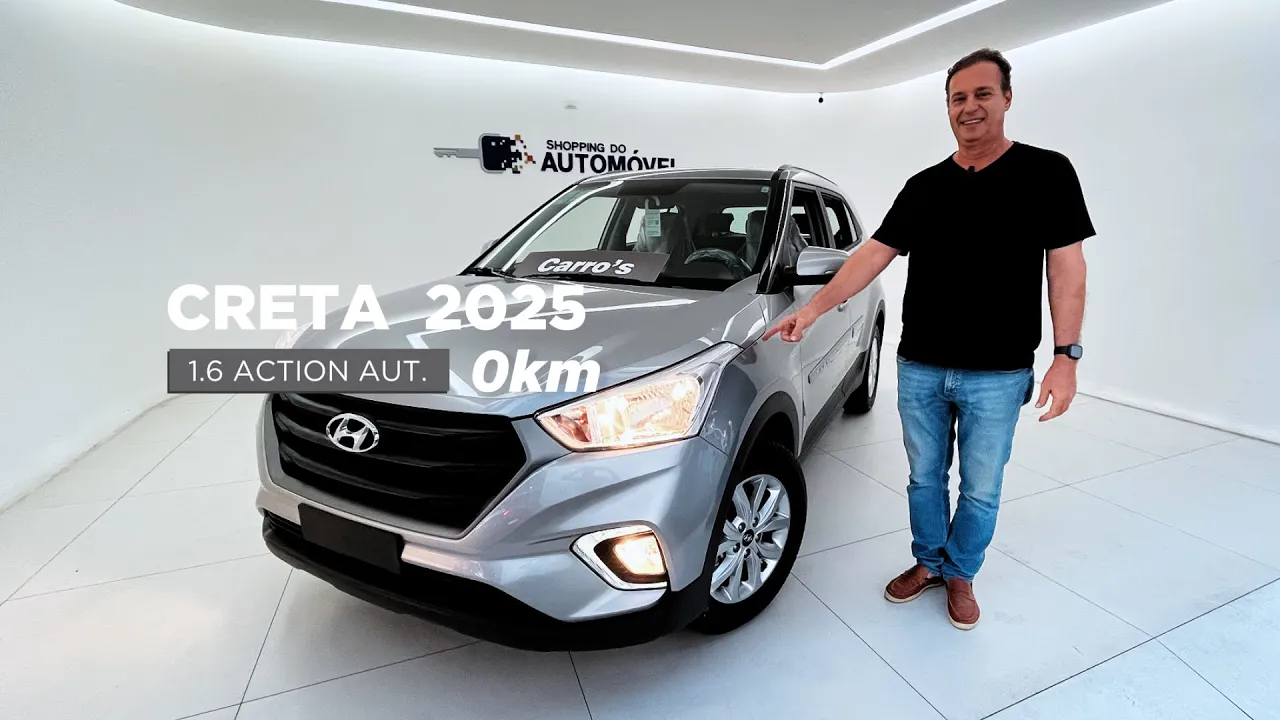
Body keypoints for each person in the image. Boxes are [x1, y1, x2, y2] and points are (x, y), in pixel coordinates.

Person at [762, 48, 1093, 630]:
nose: (970, 107)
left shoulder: (1048, 173)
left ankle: (961, 572)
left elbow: (1066, 268)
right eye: (958, 98)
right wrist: (811, 310)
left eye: (982, 94)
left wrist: (1066, 357)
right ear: (947, 108)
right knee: (924, 478)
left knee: (981, 487)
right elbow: (873, 254)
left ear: (1007, 98)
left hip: (999, 372)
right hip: (921, 366)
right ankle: (928, 563)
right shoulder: (925, 187)